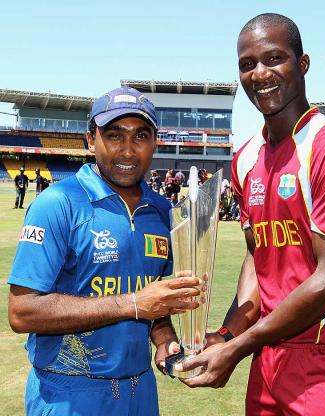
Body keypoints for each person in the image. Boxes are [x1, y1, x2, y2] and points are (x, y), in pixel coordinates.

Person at [179, 13, 325, 416]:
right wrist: (228, 334)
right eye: (247, 64)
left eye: (274, 58)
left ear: (302, 64)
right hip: (270, 357)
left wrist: (241, 345)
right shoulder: (245, 160)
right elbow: (259, 259)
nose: (259, 74)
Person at [7, 86, 202, 416]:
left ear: (155, 142)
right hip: (68, 393)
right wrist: (133, 304)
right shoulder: (59, 203)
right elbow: (22, 311)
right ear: (90, 139)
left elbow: (153, 299)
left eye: (140, 136)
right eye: (114, 135)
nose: (127, 150)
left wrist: (164, 339)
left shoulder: (162, 212)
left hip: (140, 391)